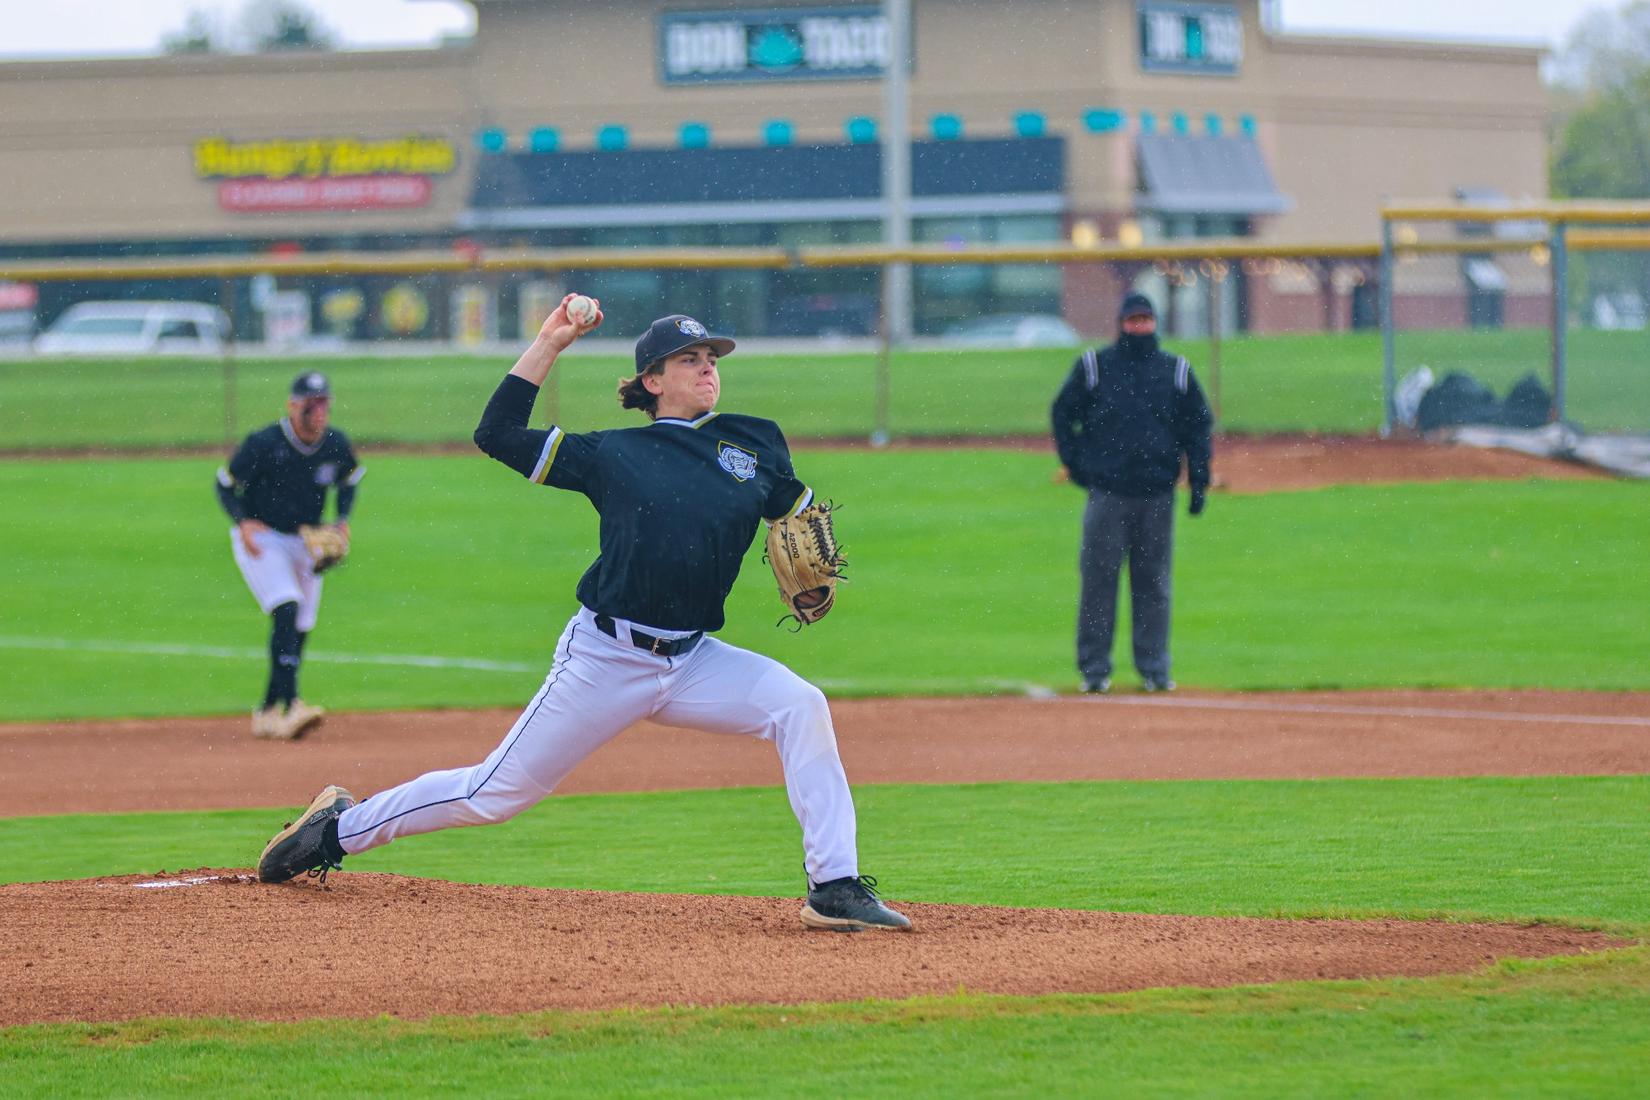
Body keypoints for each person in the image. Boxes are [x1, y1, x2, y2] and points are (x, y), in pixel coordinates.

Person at [255, 296, 911, 933]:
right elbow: (497, 435)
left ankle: (834, 887)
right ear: (652, 381)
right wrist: (550, 343)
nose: (707, 365)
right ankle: (333, 832)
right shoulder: (613, 455)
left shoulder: (755, 444)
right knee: (492, 795)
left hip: (694, 660)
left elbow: (797, 517)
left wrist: (814, 582)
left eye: (711, 355)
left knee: (800, 705)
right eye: (688, 359)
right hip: (606, 659)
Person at [1051, 292, 1212, 694]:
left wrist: (1199, 480)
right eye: (1133, 320)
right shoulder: (1095, 367)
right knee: (1098, 582)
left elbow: (1198, 427)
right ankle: (1094, 669)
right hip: (1108, 493)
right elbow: (1062, 412)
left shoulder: (1175, 371)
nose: (1139, 327)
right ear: (1121, 323)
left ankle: (1154, 668)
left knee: (1153, 583)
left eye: (1145, 320)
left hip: (1157, 494)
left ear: (1154, 323)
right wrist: (1077, 464)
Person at [216, 371, 363, 740]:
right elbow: (224, 485)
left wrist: (341, 520)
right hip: (263, 537)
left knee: (299, 626)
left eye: (324, 404)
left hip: (305, 540)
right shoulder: (264, 443)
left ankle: (267, 711)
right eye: (311, 405)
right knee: (287, 607)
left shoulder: (334, 444)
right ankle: (293, 704)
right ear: (293, 406)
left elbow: (350, 479)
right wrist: (243, 522)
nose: (319, 412)